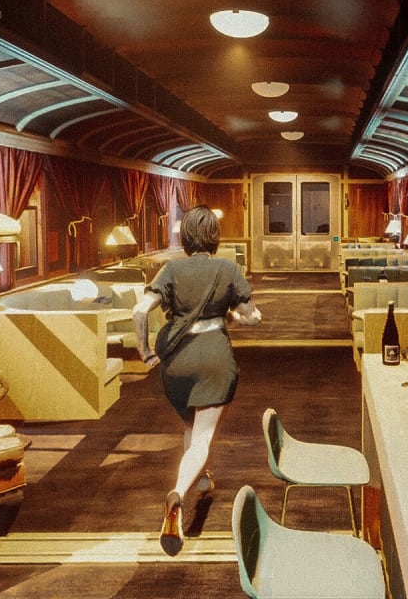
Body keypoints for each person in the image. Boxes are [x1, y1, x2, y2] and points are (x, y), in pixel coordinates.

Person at [133, 205, 260, 556]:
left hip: (176, 361)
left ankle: (201, 479)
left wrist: (145, 351)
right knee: (202, 435)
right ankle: (178, 494)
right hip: (213, 358)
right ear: (215, 237)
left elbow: (139, 311)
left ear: (185, 237)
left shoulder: (171, 269)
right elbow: (251, 317)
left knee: (191, 423)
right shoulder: (228, 268)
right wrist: (236, 316)